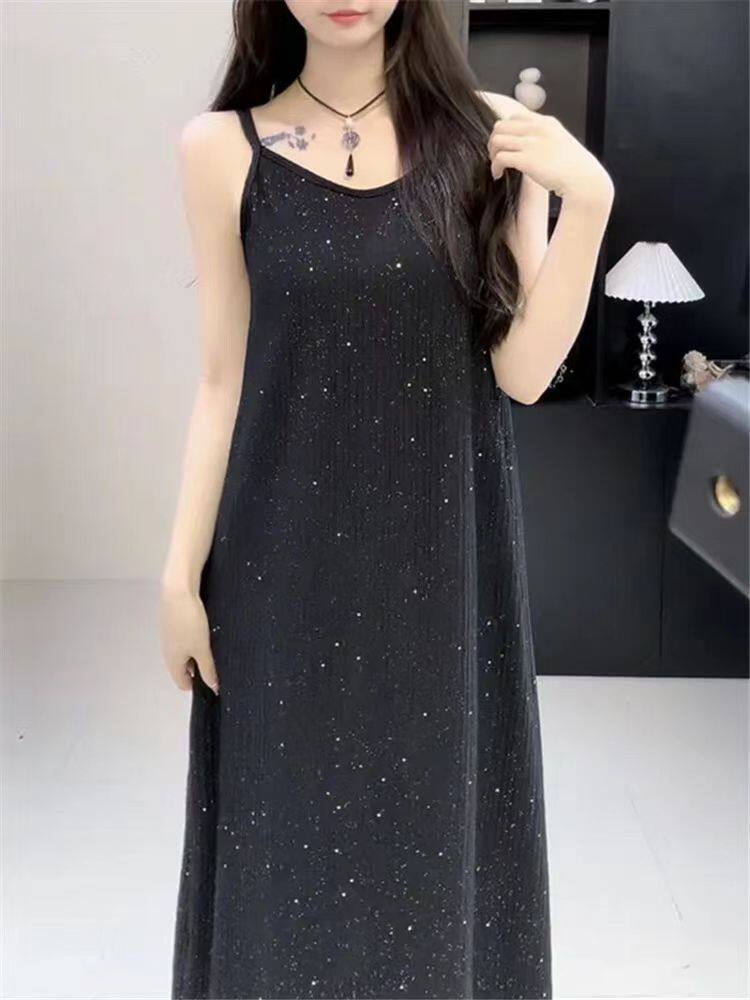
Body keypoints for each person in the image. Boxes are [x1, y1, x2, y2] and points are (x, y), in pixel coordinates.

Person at [160, 1, 614, 997]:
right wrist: (180, 574)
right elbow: (223, 379)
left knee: (432, 842)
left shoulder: (487, 136)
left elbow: (523, 371)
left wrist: (587, 206)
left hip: (442, 566)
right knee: (286, 847)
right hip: (279, 565)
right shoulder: (221, 150)